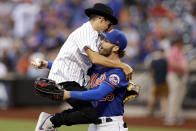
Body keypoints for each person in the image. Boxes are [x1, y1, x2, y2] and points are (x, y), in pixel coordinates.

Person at [32, 3, 133, 131]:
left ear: (116, 47)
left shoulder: (117, 71)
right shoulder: (88, 34)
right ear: (101, 19)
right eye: (108, 23)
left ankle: (51, 121)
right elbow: (90, 60)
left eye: (106, 41)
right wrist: (123, 65)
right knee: (90, 114)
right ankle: (51, 121)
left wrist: (48, 65)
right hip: (94, 123)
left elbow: (96, 91)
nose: (101, 42)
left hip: (111, 125)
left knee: (89, 114)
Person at [165, 37, 188, 125]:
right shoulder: (174, 49)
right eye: (182, 42)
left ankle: (177, 116)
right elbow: (171, 63)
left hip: (180, 76)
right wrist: (182, 67)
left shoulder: (180, 51)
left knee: (179, 97)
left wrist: (185, 67)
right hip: (174, 75)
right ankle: (170, 117)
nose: (183, 44)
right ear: (178, 43)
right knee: (174, 97)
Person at [147, 49, 168, 117]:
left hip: (156, 82)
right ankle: (163, 112)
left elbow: (152, 73)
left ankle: (150, 111)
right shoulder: (165, 62)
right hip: (164, 82)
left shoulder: (154, 62)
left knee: (153, 97)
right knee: (163, 98)